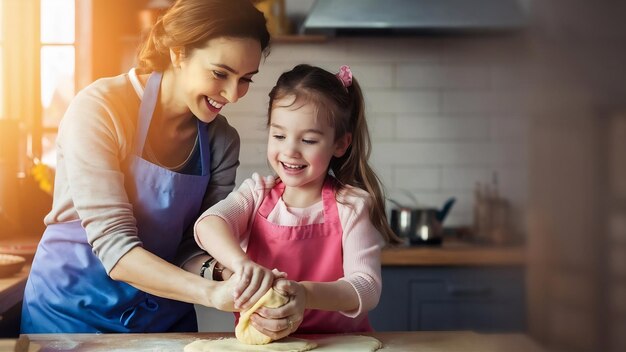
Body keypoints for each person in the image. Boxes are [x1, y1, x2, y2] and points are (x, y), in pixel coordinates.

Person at [21, 0, 290, 334]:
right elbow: (115, 248)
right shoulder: (100, 109)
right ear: (178, 53)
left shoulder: (222, 141)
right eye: (220, 74)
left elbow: (191, 247)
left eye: (246, 79)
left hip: (161, 319)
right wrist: (212, 293)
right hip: (70, 315)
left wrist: (233, 275)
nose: (234, 95)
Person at [194, 64, 402, 336]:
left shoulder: (353, 205)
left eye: (309, 140)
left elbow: (366, 286)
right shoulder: (256, 193)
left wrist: (305, 294)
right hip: (267, 344)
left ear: (340, 144)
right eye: (279, 135)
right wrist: (241, 264)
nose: (290, 150)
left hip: (340, 344)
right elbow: (208, 224)